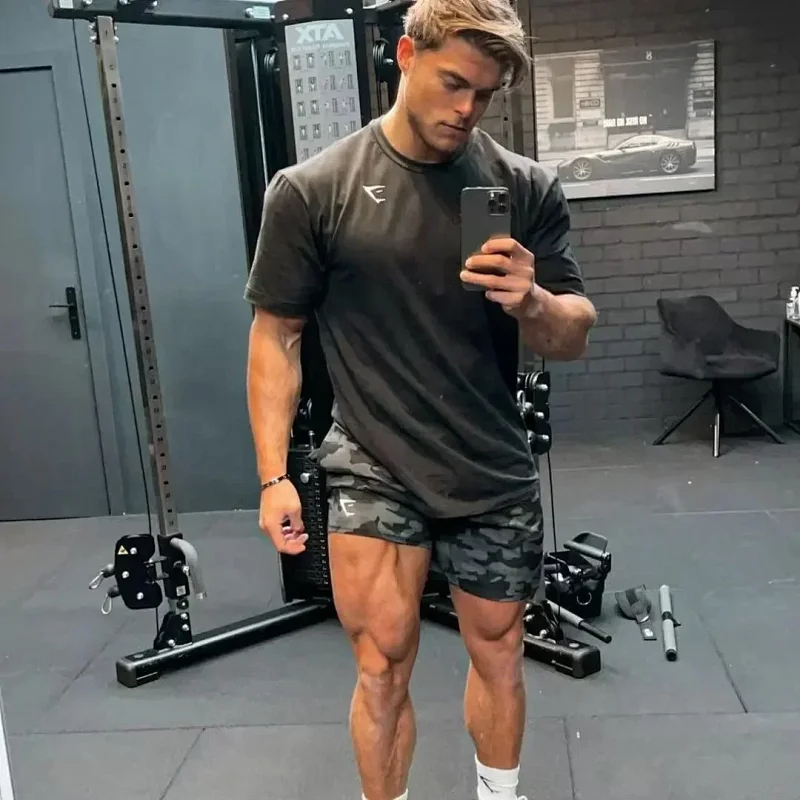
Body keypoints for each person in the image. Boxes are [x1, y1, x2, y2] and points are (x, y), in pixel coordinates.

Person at [244, 0, 597, 797]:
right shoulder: (313, 190)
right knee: (382, 662)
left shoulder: (524, 186)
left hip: (488, 460)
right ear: (405, 56)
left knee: (500, 650)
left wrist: (533, 300)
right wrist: (274, 476)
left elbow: (573, 333)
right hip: (373, 461)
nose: (468, 108)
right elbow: (276, 337)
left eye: (486, 93)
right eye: (454, 83)